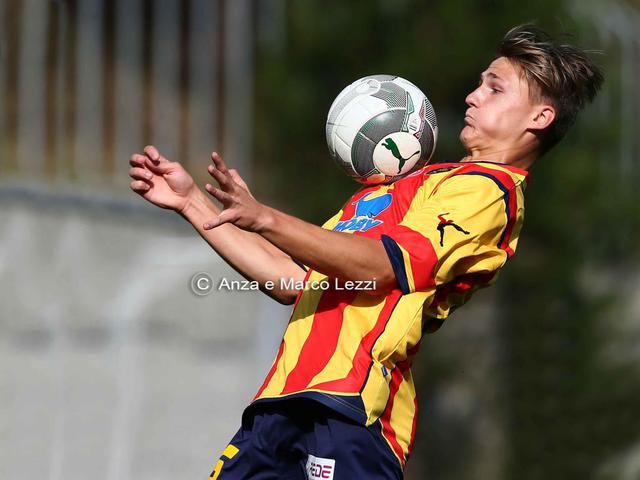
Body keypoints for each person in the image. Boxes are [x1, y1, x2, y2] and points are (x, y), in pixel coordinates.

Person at [128, 24, 603, 480]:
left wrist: (265, 217)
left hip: (352, 412)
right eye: (479, 83)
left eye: (494, 88)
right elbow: (291, 281)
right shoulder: (402, 184)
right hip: (280, 404)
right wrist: (192, 202)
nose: (472, 96)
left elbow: (381, 266)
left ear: (540, 118)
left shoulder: (489, 193)